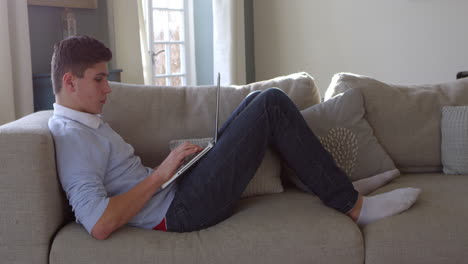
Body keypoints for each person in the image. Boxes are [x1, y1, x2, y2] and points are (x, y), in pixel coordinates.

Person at [48, 35, 421, 240]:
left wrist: (175, 169)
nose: (107, 89)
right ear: (70, 81)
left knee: (259, 100)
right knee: (271, 103)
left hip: (177, 190)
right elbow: (99, 224)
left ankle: (338, 184)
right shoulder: (71, 137)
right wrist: (161, 174)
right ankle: (354, 207)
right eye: (99, 79)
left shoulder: (85, 123)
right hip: (179, 212)